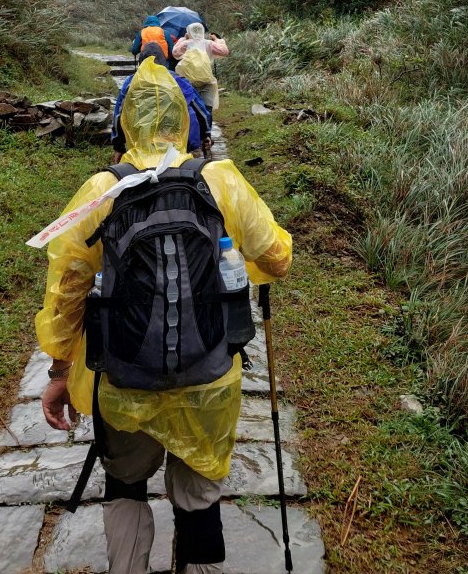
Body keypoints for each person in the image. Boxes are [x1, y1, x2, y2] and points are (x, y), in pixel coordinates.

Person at [36, 58, 292, 574]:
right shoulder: (219, 179)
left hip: (124, 378)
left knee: (124, 484)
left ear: (123, 122)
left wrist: (61, 372)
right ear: (186, 120)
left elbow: (67, 290)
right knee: (198, 491)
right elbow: (278, 259)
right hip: (209, 375)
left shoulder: (102, 190)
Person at [112, 42, 212, 161]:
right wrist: (205, 135)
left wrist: (119, 147)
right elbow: (201, 111)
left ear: (141, 61)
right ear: (164, 60)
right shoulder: (178, 81)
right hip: (180, 143)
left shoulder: (131, 83)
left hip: (141, 143)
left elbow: (119, 115)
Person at [172, 23, 230, 110]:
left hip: (189, 80)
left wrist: (184, 39)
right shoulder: (208, 43)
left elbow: (175, 53)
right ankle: (207, 121)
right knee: (207, 107)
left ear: (189, 32)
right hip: (206, 79)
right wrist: (217, 40)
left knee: (191, 106)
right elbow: (224, 51)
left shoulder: (186, 44)